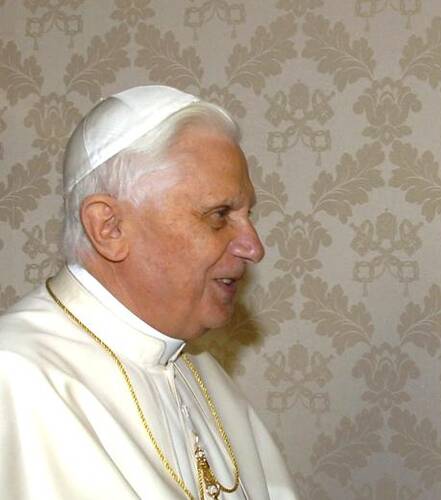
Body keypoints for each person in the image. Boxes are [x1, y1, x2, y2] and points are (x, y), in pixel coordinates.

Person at [0, 85, 298, 499]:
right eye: (219, 215)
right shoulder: (16, 379)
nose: (254, 246)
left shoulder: (201, 372)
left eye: (248, 215)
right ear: (109, 227)